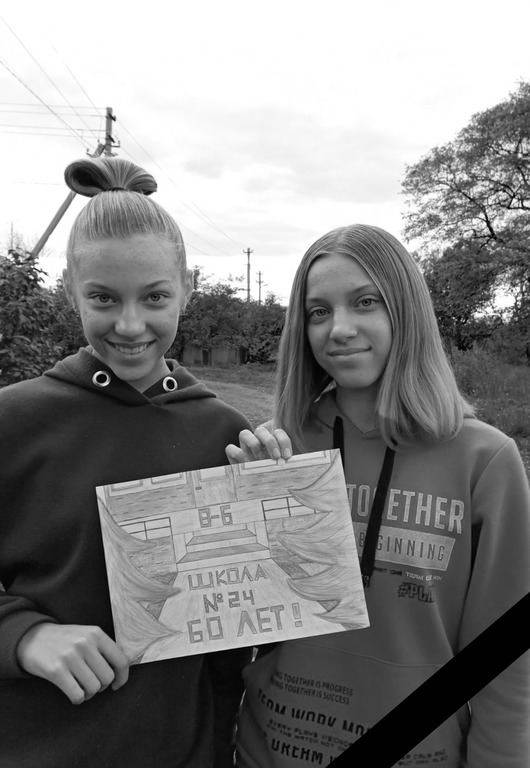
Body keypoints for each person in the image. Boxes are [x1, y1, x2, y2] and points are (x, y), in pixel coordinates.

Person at [0, 156, 252, 768]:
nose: (130, 324)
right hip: (15, 747)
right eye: (103, 298)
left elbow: (233, 638)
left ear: (187, 288)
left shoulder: (225, 435)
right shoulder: (6, 422)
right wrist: (22, 636)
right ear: (70, 291)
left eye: (155, 297)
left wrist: (278, 503)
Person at [226, 224, 530, 767]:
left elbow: (509, 666)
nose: (339, 329)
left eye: (365, 302)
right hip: (271, 750)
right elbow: (231, 612)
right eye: (318, 311)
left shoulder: (484, 461)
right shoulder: (280, 449)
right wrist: (245, 515)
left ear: (405, 311)